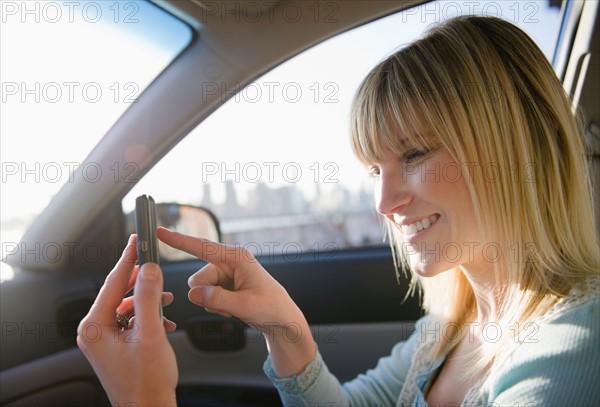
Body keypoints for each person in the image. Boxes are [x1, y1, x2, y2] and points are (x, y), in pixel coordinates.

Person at [77, 15, 600, 406]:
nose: (384, 202)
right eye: (375, 170)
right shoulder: (452, 323)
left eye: (415, 154)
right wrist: (286, 328)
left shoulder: (569, 351)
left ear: (515, 149)